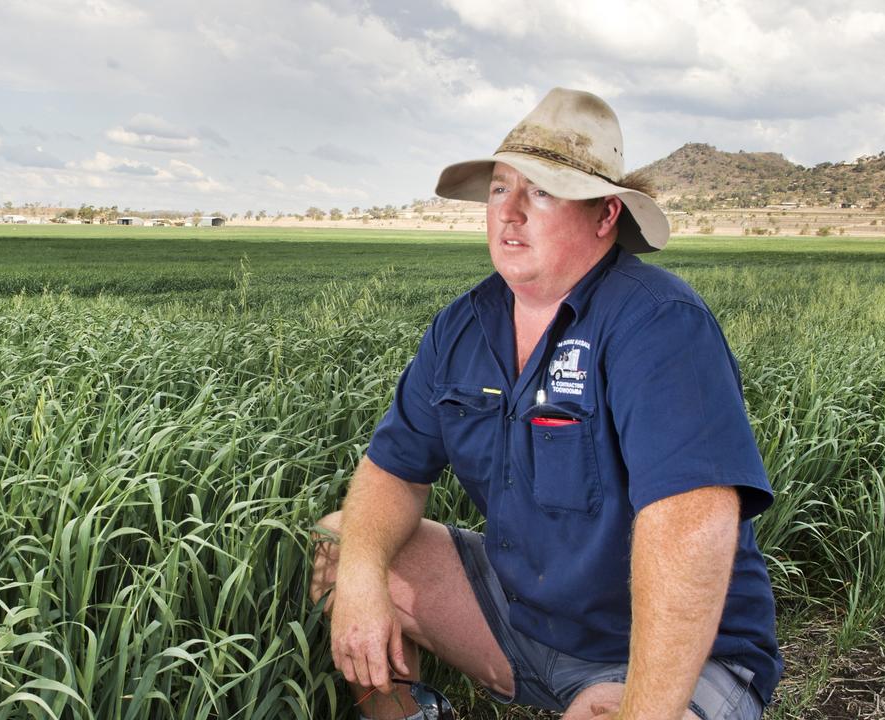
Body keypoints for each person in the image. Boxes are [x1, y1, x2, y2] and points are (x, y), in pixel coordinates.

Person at [309, 88, 782, 720]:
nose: (509, 213)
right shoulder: (463, 328)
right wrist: (365, 580)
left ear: (605, 215)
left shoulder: (658, 324)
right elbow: (393, 472)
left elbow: (692, 527)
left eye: (540, 192)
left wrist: (643, 708)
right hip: (525, 619)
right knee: (344, 547)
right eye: (501, 188)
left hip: (668, 654)